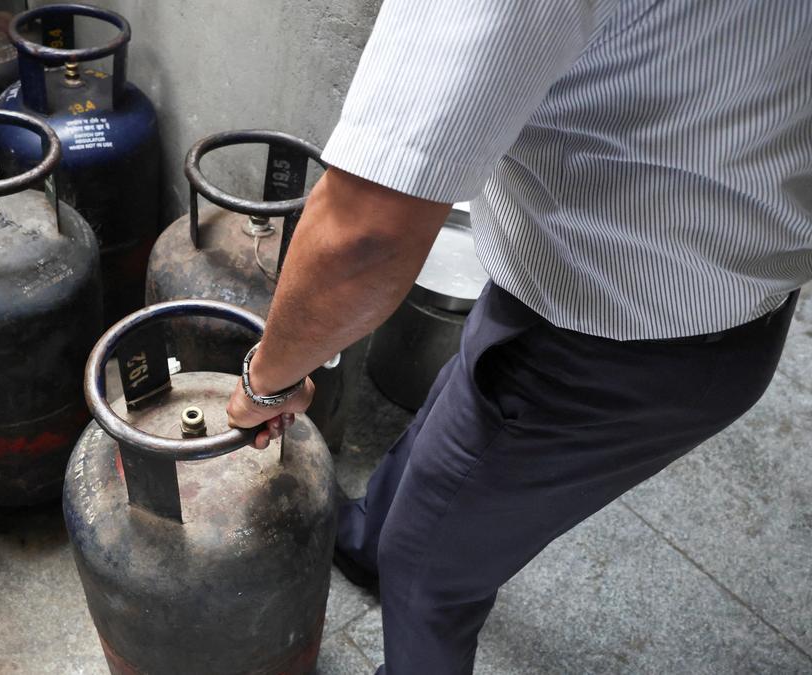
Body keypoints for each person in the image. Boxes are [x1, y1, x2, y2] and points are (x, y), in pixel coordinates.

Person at [224, 1, 812, 673]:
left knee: (429, 572)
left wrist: (264, 382)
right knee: (451, 416)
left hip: (610, 339)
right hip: (722, 289)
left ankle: (400, 577)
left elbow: (362, 235)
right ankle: (367, 539)